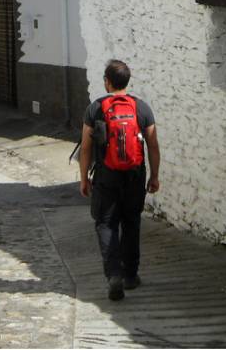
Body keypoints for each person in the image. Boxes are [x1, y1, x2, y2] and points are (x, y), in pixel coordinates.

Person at [79, 59, 160, 301]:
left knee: (106, 223)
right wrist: (154, 175)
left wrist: (84, 178)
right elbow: (153, 145)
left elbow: (85, 148)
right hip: (135, 175)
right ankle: (131, 275)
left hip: (106, 176)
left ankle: (114, 273)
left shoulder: (95, 108)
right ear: (126, 81)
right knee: (131, 222)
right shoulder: (141, 108)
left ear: (107, 82)